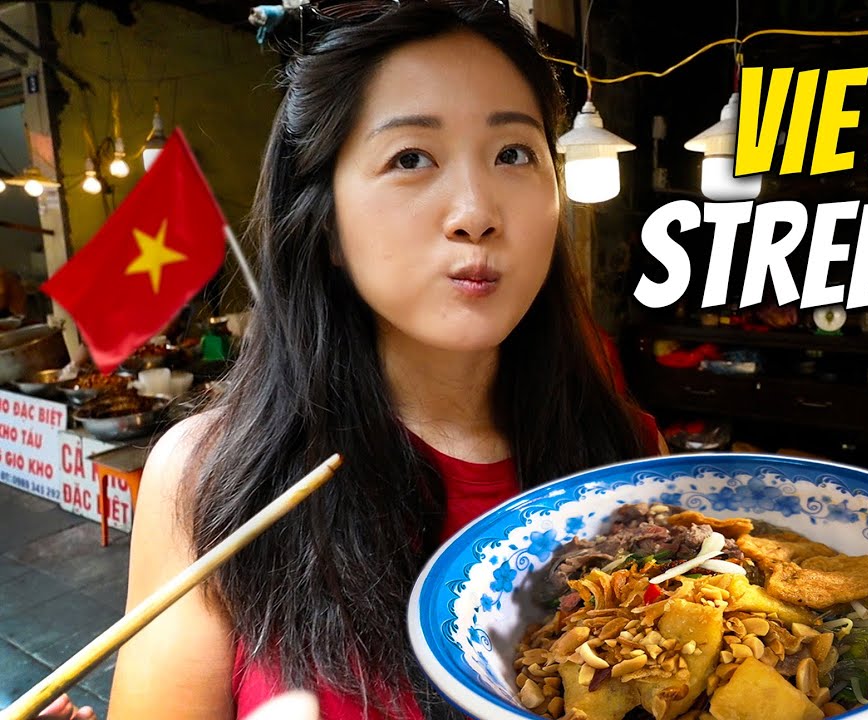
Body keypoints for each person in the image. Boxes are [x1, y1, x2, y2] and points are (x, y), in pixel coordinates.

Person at [39, 3, 662, 719]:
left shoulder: (634, 454)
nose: (476, 210)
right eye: (410, 158)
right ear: (326, 221)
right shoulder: (211, 478)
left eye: (514, 154)